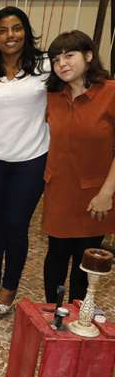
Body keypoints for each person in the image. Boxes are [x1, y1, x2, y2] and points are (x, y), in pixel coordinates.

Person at [0, 7, 49, 317]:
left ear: (25, 31)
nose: (10, 35)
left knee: (16, 225)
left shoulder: (44, 65)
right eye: (2, 30)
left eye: (16, 28)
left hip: (31, 159)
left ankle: (9, 285)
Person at [43, 30, 115, 303]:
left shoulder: (110, 93)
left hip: (95, 193)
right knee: (56, 255)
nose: (61, 63)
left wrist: (107, 193)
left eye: (69, 55)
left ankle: (78, 313)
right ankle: (52, 313)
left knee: (85, 259)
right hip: (59, 188)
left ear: (88, 56)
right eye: (55, 58)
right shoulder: (52, 95)